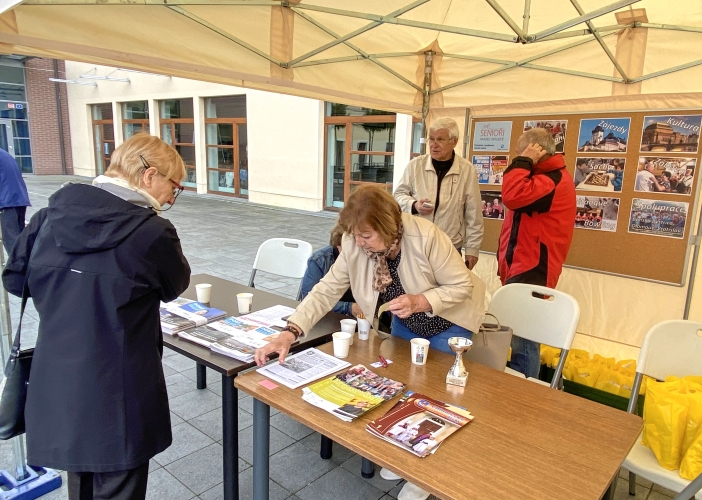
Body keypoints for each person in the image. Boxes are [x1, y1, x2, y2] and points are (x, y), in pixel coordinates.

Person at [255, 185, 485, 500]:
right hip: (407, 319)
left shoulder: (427, 237)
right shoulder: (354, 242)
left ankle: (423, 478)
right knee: (406, 386)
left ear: (388, 227)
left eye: (366, 236)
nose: (359, 243)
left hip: (449, 318)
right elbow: (326, 289)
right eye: (355, 235)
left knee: (437, 397)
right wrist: (290, 332)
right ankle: (404, 457)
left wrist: (420, 300)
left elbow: (461, 285)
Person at [2, 133, 191, 500]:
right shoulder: (152, 232)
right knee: (120, 485)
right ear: (149, 176)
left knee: (82, 482)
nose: (172, 196)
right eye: (174, 185)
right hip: (122, 389)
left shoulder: (46, 219)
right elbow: (174, 285)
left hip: (61, 380)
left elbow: (16, 279)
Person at [497, 128, 576, 379]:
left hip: (533, 267)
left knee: (524, 337)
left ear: (535, 151)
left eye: (521, 153)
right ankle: (525, 384)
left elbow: (511, 195)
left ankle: (526, 391)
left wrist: (524, 161)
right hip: (523, 264)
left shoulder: (552, 179)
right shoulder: (541, 178)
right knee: (519, 332)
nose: (517, 158)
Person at [394, 117, 484, 270]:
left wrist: (472, 249)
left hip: (449, 245)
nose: (433, 145)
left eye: (440, 140)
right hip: (416, 242)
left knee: (447, 290)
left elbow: (473, 212)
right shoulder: (416, 165)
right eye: (431, 139)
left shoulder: (467, 170)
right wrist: (414, 205)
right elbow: (397, 196)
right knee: (414, 290)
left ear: (454, 142)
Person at [300, 223, 360, 317]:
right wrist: (348, 307)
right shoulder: (320, 260)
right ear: (337, 244)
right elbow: (308, 298)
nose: (354, 253)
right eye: (348, 248)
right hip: (330, 316)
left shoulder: (369, 257)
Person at [0, 147, 30, 254]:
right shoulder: (4, 154)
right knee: (20, 238)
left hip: (7, 201)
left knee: (11, 240)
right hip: (19, 199)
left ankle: (17, 268)